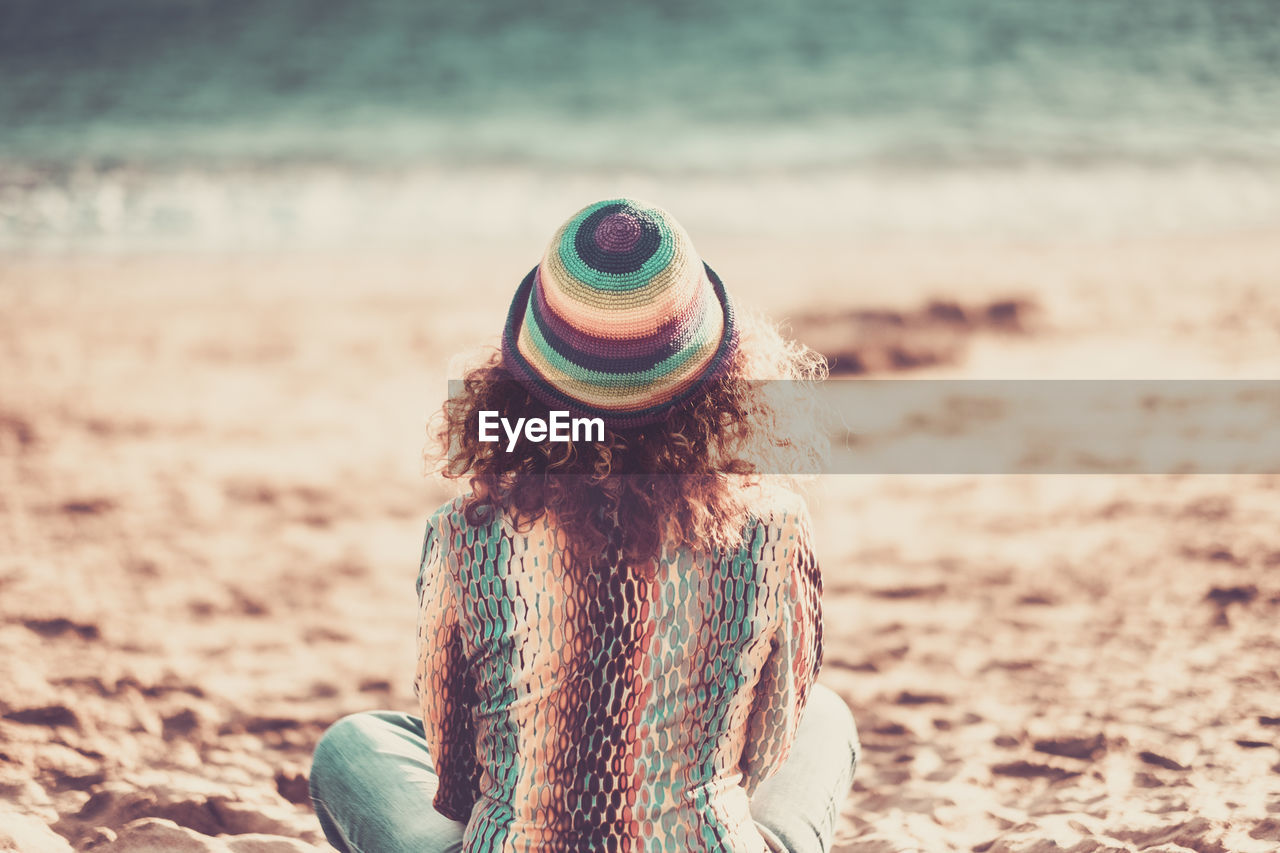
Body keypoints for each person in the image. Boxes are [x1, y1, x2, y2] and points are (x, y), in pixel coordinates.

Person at [309, 199, 860, 853]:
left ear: (525, 381)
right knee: (825, 715)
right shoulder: (775, 527)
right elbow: (767, 753)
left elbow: (454, 775)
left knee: (353, 743)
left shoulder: (465, 533)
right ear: (716, 374)